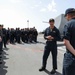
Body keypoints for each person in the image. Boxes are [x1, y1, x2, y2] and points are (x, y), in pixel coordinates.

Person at [62, 8, 75, 75]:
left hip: (71, 58)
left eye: (66, 16)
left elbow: (66, 42)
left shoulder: (68, 24)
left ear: (68, 15)